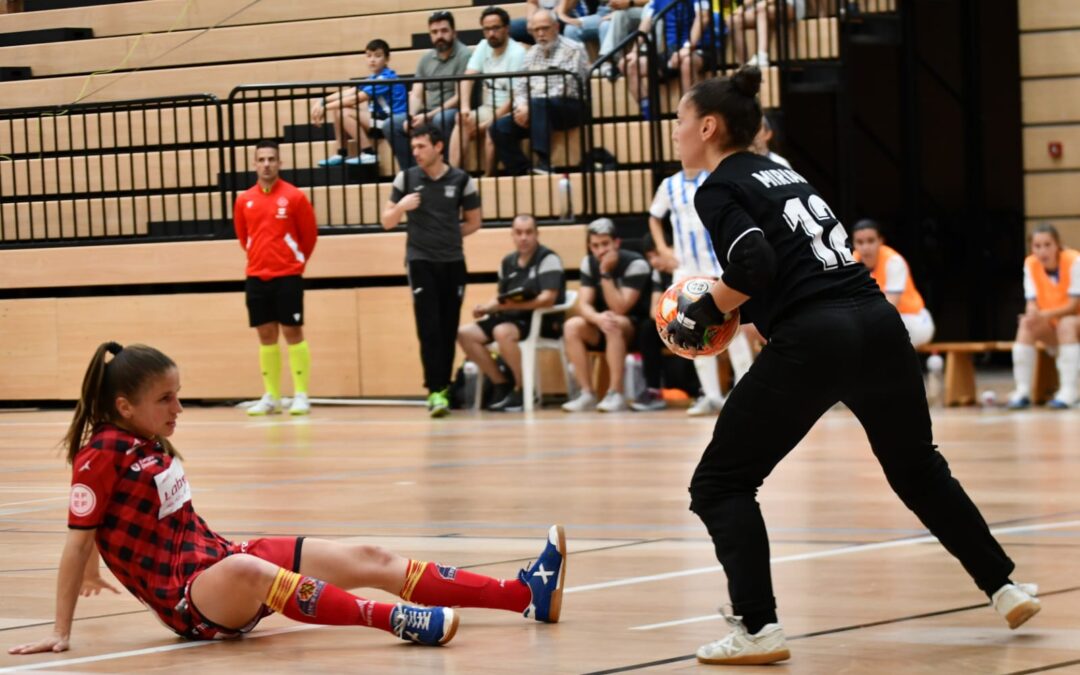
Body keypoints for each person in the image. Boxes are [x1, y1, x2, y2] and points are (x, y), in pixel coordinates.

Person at [662, 67, 1038, 665]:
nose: (675, 131)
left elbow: (753, 262)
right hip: (876, 322)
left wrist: (700, 313)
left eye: (680, 121)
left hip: (819, 334)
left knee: (720, 484)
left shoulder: (715, 187)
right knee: (918, 469)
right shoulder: (783, 170)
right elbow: (783, 264)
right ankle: (1005, 586)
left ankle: (758, 629)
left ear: (707, 127)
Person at [7, 342, 567, 657]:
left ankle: (523, 594)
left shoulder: (148, 440)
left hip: (217, 561)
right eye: (166, 398)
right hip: (189, 601)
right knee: (252, 568)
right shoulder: (100, 453)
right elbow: (77, 541)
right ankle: (397, 620)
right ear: (125, 406)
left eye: (178, 394)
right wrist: (63, 628)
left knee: (367, 556)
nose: (179, 407)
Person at [381, 125, 482, 418]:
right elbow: (387, 221)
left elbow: (474, 222)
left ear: (438, 147)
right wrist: (401, 206)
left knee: (448, 327)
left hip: (452, 261)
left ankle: (445, 388)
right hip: (420, 261)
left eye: (421, 146)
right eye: (413, 148)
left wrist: (448, 234)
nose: (415, 152)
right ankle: (435, 390)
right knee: (429, 328)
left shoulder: (462, 180)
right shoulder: (407, 178)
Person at [649, 160, 755, 416]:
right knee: (690, 331)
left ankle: (745, 392)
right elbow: (654, 217)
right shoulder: (669, 184)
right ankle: (710, 396)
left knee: (734, 329)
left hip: (718, 265)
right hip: (685, 270)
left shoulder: (714, 179)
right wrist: (663, 249)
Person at [233, 140, 317, 416]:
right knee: (265, 335)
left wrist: (294, 262)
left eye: (271, 159)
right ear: (254, 164)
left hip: (288, 275)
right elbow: (244, 237)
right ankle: (272, 396)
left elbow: (309, 236)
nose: (267, 164)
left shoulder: (295, 197)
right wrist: (261, 257)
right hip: (256, 276)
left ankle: (301, 395)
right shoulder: (244, 199)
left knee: (293, 332)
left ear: (280, 163)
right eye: (262, 159)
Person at [458, 214, 567, 411]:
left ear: (536, 234)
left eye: (528, 232)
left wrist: (511, 307)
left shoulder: (548, 259)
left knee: (502, 332)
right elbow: (501, 297)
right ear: (512, 235)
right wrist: (486, 308)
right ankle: (501, 384)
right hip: (509, 317)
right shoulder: (508, 262)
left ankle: (524, 388)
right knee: (464, 334)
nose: (523, 237)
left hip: (538, 320)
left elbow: (548, 298)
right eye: (518, 233)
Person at [562, 218, 652, 413]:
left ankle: (616, 393)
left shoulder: (636, 263)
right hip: (603, 324)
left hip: (635, 329)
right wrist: (597, 319)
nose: (600, 250)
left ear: (616, 243)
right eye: (595, 245)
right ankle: (587, 394)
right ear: (589, 246)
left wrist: (605, 273)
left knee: (615, 322)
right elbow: (584, 304)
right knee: (572, 326)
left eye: (605, 244)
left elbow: (621, 308)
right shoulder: (588, 262)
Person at [490, 9, 589, 176]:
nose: (541, 34)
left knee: (538, 104)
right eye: (536, 30)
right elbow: (521, 86)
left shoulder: (574, 49)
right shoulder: (531, 54)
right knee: (499, 127)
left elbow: (567, 86)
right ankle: (522, 171)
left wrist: (531, 106)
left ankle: (543, 161)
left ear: (556, 27)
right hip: (537, 111)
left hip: (571, 107)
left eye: (545, 28)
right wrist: (521, 106)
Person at [1007, 223, 1080, 409]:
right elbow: (1031, 300)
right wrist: (1032, 314)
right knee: (1026, 324)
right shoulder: (1030, 264)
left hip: (1073, 321)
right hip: (1053, 322)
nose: (1042, 251)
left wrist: (1042, 314)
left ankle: (1069, 391)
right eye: (1037, 246)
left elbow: (1073, 306)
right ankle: (1022, 391)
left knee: (1067, 323)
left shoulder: (1074, 261)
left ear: (1058, 245)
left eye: (1047, 245)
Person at [389, 11, 471, 170]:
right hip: (428, 112)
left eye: (444, 31)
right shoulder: (425, 58)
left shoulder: (464, 54)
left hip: (452, 110)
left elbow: (459, 96)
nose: (439, 36)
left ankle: (446, 172)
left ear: (454, 33)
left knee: (441, 119)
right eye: (434, 32)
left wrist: (428, 116)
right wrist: (411, 117)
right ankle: (412, 173)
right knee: (392, 124)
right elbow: (417, 93)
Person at [449, 7, 527, 174]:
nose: (491, 33)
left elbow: (514, 98)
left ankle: (488, 177)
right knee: (461, 121)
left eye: (496, 28)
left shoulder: (517, 53)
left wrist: (485, 125)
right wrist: (464, 108)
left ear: (506, 29)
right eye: (487, 29)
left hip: (509, 110)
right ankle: (453, 175)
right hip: (487, 108)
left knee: (494, 129)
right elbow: (467, 77)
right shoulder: (483, 45)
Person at [311, 39, 408, 167]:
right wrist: (322, 101)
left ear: (387, 59)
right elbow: (350, 92)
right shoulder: (373, 78)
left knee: (344, 110)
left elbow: (355, 99)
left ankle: (369, 153)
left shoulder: (386, 78)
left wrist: (324, 108)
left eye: (378, 56)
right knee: (338, 108)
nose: (372, 60)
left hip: (392, 122)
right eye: (368, 56)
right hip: (379, 119)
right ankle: (341, 153)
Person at [851, 219, 935, 347]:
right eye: (860, 242)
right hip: (874, 321)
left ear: (880, 241)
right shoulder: (851, 262)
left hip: (913, 319)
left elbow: (889, 308)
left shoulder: (893, 261)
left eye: (871, 241)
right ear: (854, 244)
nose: (865, 247)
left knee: (882, 331)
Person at [624, 0, 711, 120]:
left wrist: (688, 47)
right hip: (671, 52)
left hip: (699, 48)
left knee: (686, 62)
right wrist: (634, 51)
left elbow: (703, 17)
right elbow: (646, 23)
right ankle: (650, 117)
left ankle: (692, 117)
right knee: (631, 66)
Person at [731, 0, 805, 67]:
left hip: (791, 5)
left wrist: (765, 2)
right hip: (764, 6)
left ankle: (762, 57)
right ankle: (744, 67)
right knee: (734, 21)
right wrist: (741, 8)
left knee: (761, 8)